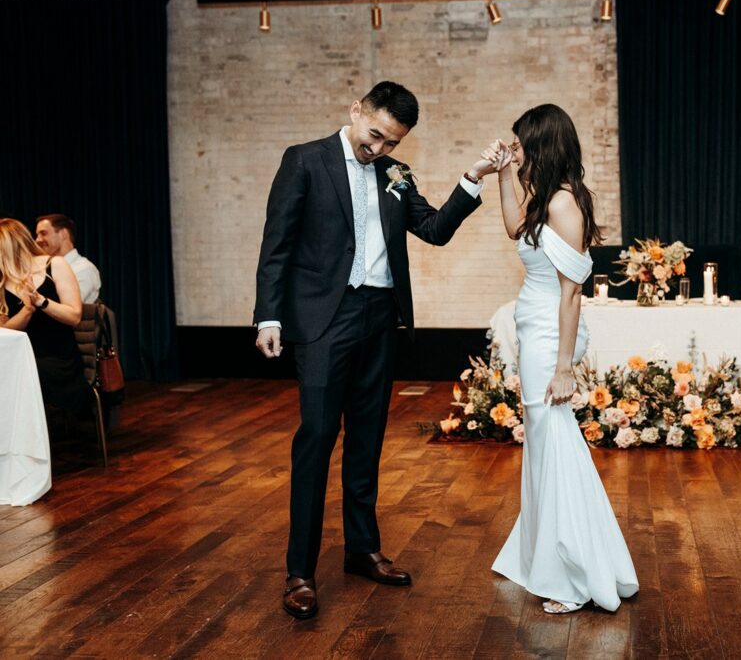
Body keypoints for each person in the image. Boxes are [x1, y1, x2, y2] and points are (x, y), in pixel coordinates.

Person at [253, 81, 501, 619]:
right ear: (355, 110)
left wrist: (473, 178)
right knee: (317, 439)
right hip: (323, 320)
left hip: (380, 319)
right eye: (375, 136)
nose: (380, 150)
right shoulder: (304, 161)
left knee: (366, 441)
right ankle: (300, 570)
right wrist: (268, 315)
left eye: (392, 142)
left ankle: (362, 550)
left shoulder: (396, 173)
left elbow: (433, 230)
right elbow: (278, 243)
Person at [485, 105, 639, 614]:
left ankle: (572, 575)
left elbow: (572, 293)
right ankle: (539, 555)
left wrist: (566, 366)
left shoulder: (565, 204)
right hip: (534, 329)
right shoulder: (543, 200)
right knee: (542, 445)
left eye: (521, 144)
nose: (517, 149)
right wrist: (504, 173)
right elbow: (512, 230)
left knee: (555, 442)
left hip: (553, 336)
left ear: (543, 144)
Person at [0, 218, 88, 414]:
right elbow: (4, 331)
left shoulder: (54, 265)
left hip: (56, 360)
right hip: (20, 358)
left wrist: (41, 301)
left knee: (17, 375)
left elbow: (74, 316)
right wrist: (27, 310)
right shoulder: (2, 279)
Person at [35, 214, 102, 303]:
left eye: (43, 233)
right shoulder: (42, 268)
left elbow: (70, 307)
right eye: (37, 235)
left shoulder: (85, 269)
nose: (38, 240)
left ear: (63, 234)